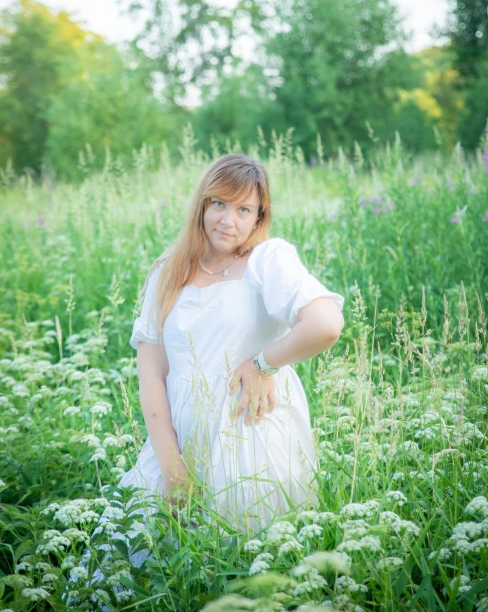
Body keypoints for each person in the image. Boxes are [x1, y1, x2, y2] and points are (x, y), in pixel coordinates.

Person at [91, 153, 345, 575]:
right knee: (146, 569)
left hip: (249, 437)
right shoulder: (168, 271)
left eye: (244, 209)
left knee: (251, 570)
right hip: (176, 438)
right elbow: (152, 375)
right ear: (202, 206)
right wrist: (172, 469)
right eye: (219, 204)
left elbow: (326, 324)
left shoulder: (268, 260)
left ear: (259, 215)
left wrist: (263, 363)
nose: (229, 220)